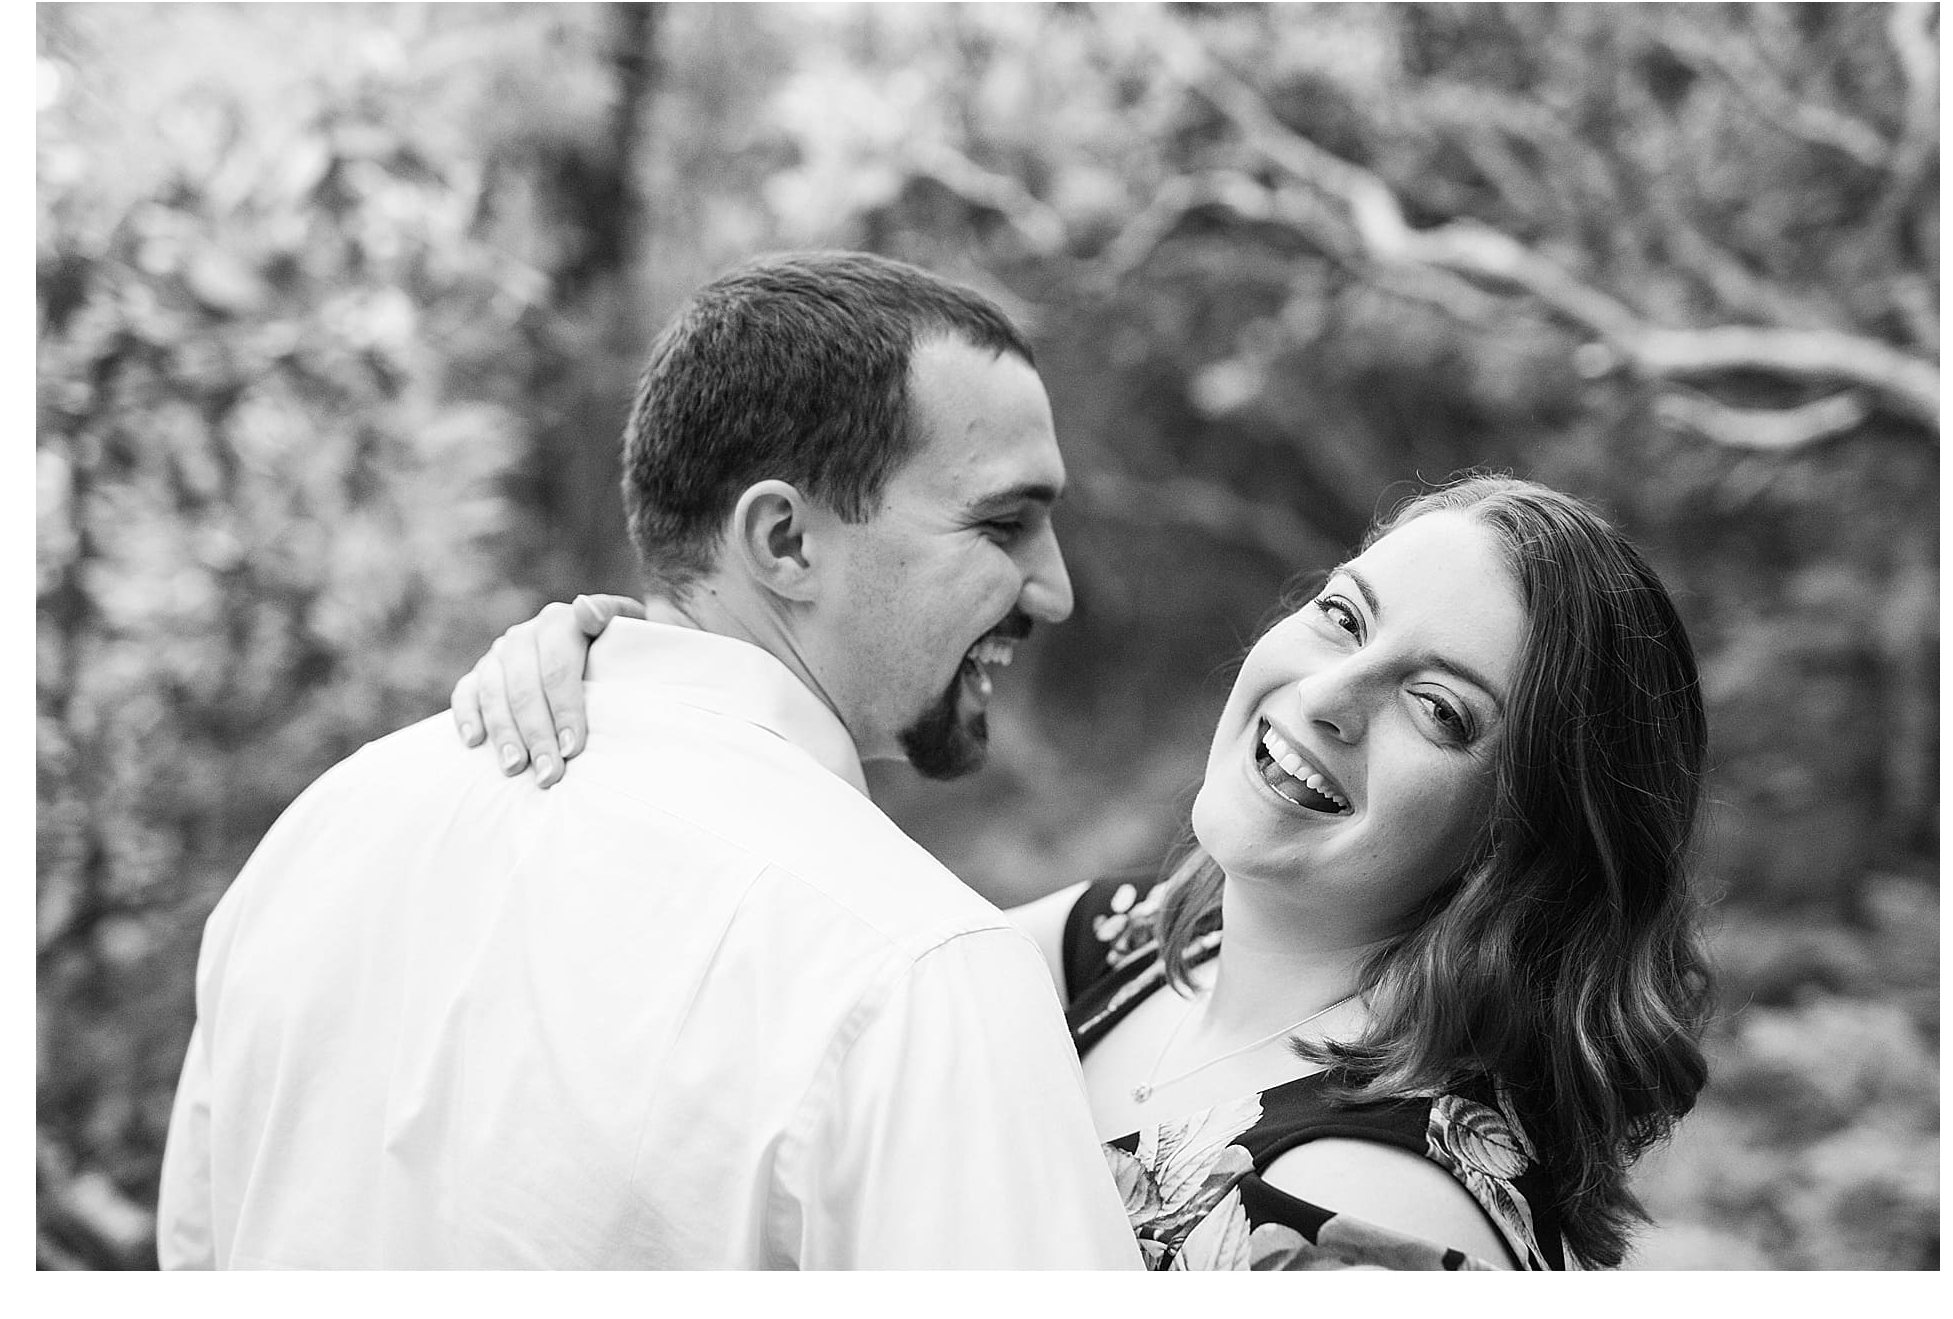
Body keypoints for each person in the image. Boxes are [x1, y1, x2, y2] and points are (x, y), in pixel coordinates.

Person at [156, 251, 1144, 1269]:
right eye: (1004, 523)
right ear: (784, 540)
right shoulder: (914, 974)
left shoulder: (325, 831)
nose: (1053, 589)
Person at [455, 473, 1713, 1270]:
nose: (1330, 696)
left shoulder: (1367, 1212)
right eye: (1342, 615)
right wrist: (656, 676)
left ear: (1524, 838)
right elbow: (772, 1022)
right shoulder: (1109, 948)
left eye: (1436, 709)